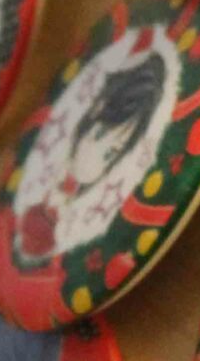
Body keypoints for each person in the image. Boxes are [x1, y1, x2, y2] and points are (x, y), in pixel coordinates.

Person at [16, 53, 165, 263]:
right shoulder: (46, 172)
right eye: (99, 135)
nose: (93, 164)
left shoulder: (86, 216)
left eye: (111, 154)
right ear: (94, 112)